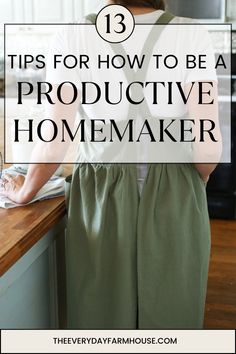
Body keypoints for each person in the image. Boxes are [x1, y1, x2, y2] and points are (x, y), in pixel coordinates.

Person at [0, 0, 221, 329]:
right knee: (173, 314)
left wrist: (25, 191)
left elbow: (55, 137)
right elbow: (208, 150)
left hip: (101, 195)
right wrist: (191, 183)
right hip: (175, 189)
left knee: (101, 317)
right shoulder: (191, 34)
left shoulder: (76, 35)